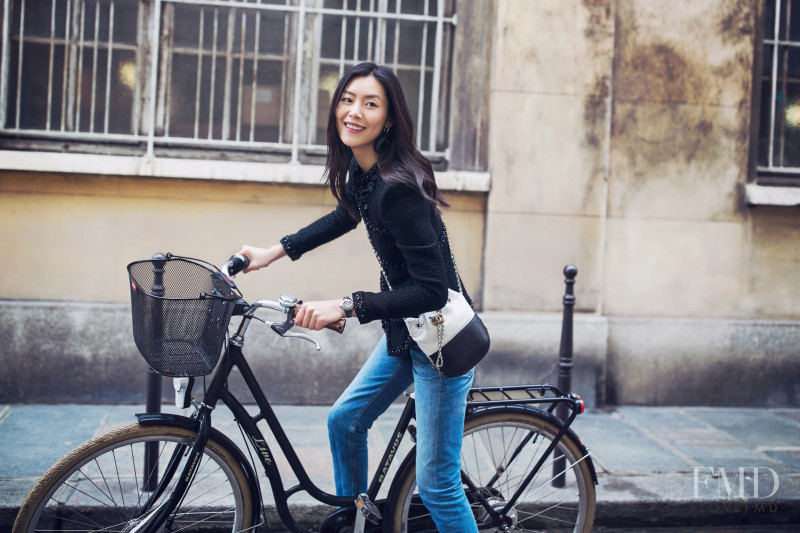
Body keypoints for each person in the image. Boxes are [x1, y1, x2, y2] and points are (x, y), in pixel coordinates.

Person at [236, 61, 478, 531]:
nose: (354, 111)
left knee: (437, 485)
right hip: (408, 334)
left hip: (443, 344)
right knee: (345, 421)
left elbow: (431, 291)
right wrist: (271, 253)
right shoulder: (367, 174)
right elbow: (345, 215)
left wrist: (344, 305)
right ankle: (356, 525)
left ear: (388, 120)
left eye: (370, 104)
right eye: (348, 99)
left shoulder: (398, 189)